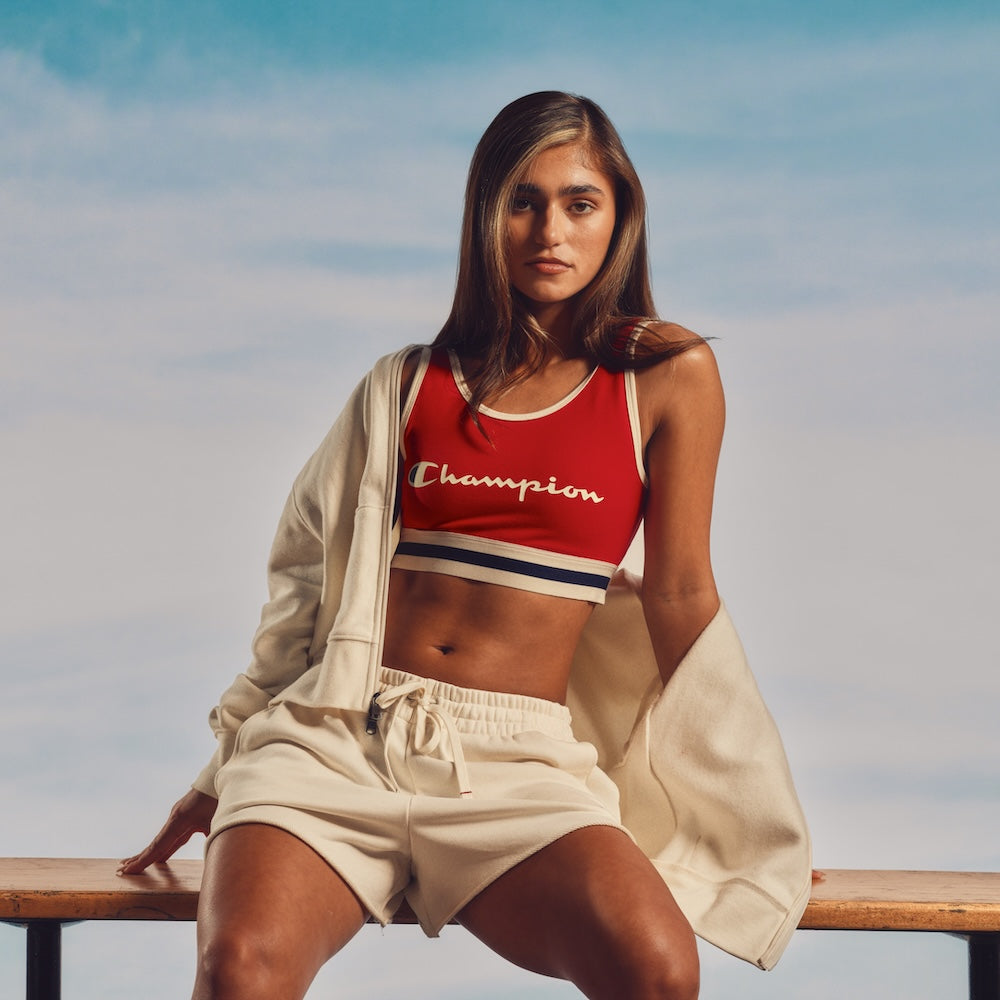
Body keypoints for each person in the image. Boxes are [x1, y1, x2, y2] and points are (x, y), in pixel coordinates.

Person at [120, 91, 811, 1000]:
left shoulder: (665, 377)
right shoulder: (404, 385)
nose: (549, 231)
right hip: (336, 743)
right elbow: (301, 590)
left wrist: (753, 823)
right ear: (486, 216)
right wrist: (222, 767)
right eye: (522, 201)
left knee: (656, 968)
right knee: (240, 967)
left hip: (518, 765)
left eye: (579, 203)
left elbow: (682, 598)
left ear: (620, 217)